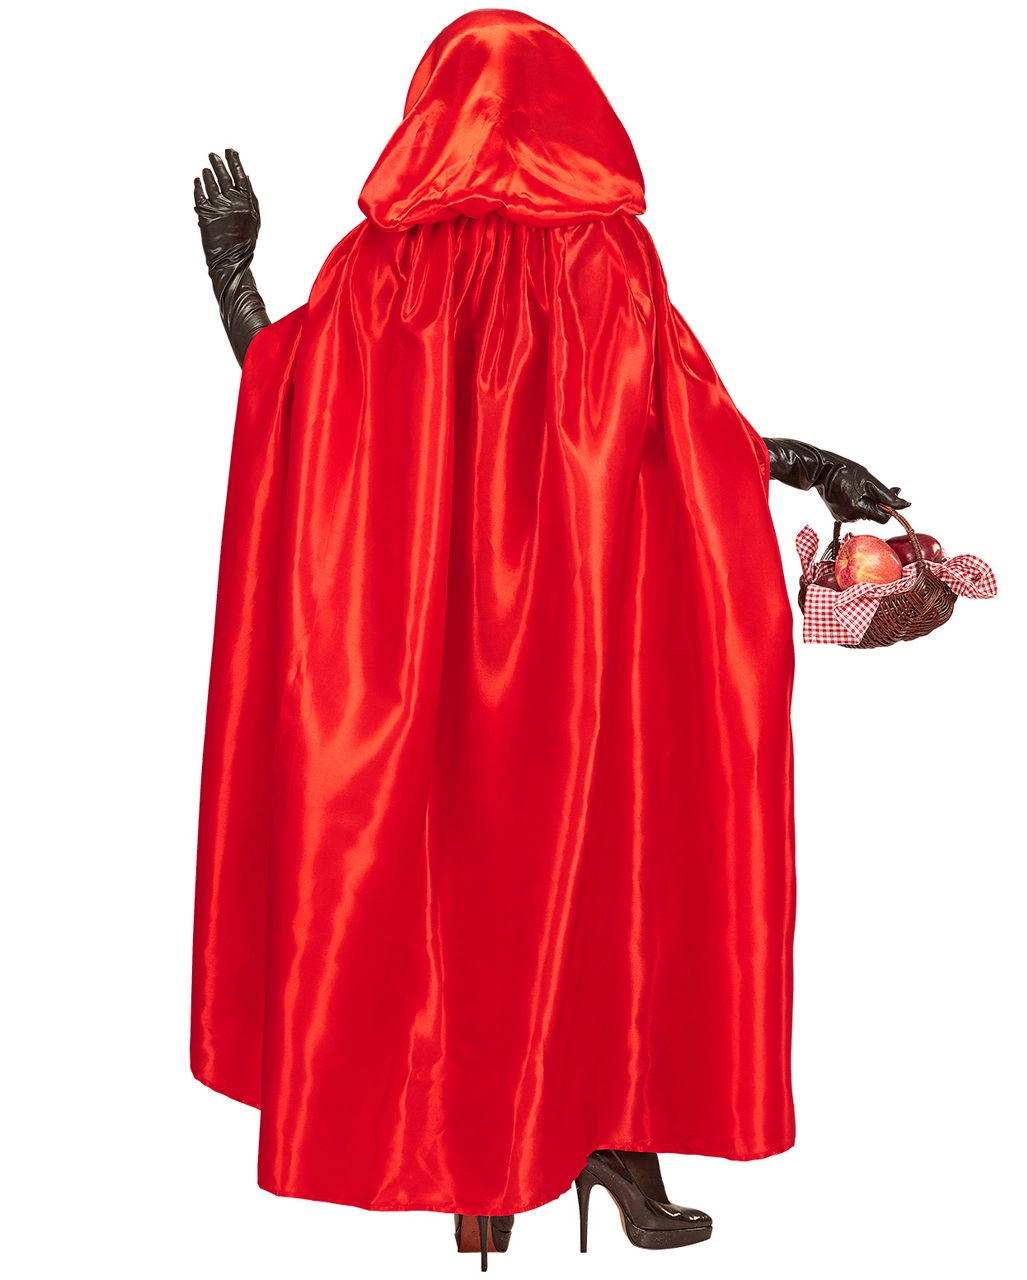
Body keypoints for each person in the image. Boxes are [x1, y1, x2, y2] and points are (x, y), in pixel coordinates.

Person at [191, 11, 908, 1268]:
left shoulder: (380, 268)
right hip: (591, 650)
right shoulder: (604, 257)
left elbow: (294, 391)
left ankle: (521, 1164)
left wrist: (233, 275)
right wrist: (813, 465)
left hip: (414, 663)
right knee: (605, 871)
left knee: (447, 886)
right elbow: (692, 434)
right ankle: (588, 1145)